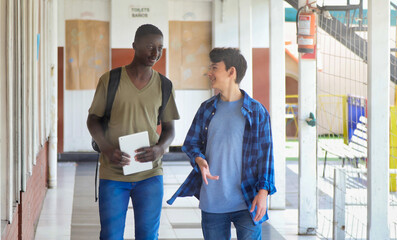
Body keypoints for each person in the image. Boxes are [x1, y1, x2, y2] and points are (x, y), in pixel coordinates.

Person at [167, 48, 276, 240]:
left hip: (248, 200)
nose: (209, 73)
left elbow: (265, 157)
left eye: (214, 68)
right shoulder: (206, 109)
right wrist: (199, 160)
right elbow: (191, 144)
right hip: (213, 201)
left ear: (231, 72)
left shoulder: (257, 112)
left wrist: (263, 193)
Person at [87, 24, 180, 240]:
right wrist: (107, 148)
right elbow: (93, 120)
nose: (155, 53)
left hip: (150, 175)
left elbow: (169, 130)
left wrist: (160, 149)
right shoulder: (110, 81)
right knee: (110, 236)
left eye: (160, 48)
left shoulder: (164, 85)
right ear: (134, 46)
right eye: (149, 46)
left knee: (148, 236)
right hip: (113, 174)